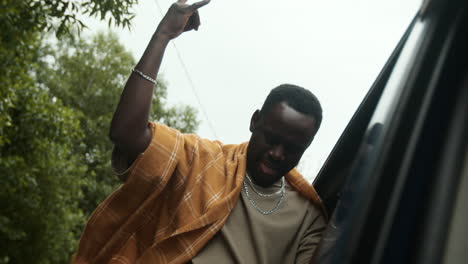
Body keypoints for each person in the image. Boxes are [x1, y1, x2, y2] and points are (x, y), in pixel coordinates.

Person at [73, 0, 327, 263]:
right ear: (255, 122)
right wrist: (162, 36)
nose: (277, 153)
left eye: (292, 148)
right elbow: (126, 134)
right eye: (271, 139)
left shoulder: (308, 219)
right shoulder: (200, 160)